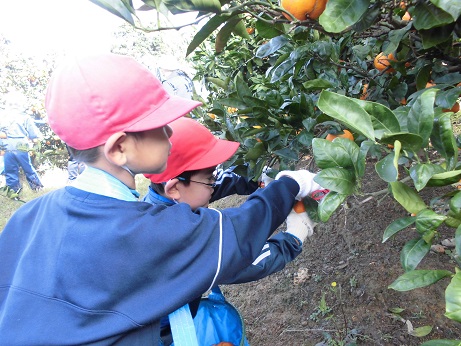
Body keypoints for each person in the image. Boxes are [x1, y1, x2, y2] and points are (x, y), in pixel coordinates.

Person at [0, 52, 321, 345]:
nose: (170, 134)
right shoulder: (136, 231)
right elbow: (235, 234)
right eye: (159, 125)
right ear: (119, 147)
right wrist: (291, 184)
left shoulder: (26, 217)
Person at [143, 117, 318, 345]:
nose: (213, 184)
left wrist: (255, 180)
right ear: (174, 187)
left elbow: (209, 186)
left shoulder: (159, 202)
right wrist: (294, 236)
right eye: (209, 179)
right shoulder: (174, 240)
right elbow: (243, 258)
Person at [0, 91, 43, 193]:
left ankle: (13, 191)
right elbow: (32, 132)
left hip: (7, 146)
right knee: (28, 167)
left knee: (10, 170)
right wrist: (35, 140)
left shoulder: (3, 117)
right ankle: (37, 188)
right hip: (21, 145)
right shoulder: (24, 116)